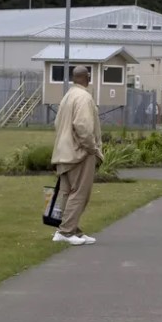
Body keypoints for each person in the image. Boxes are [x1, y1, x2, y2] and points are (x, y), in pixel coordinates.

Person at [51, 67, 103, 246]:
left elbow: (57, 122)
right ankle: (67, 231)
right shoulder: (84, 97)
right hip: (79, 153)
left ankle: (69, 229)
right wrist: (93, 149)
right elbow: (83, 126)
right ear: (87, 78)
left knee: (67, 193)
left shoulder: (67, 96)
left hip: (63, 152)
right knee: (80, 193)